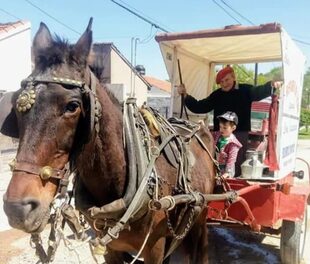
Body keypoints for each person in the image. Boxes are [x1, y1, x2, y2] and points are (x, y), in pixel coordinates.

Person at [177, 65, 282, 176]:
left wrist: (271, 85)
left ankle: (233, 187)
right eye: (221, 82)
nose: (224, 84)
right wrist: (186, 96)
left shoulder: (245, 90)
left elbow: (259, 91)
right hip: (220, 135)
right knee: (217, 162)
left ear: (233, 77)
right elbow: (200, 106)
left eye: (227, 80)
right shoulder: (217, 95)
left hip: (239, 134)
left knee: (235, 165)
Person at [213, 111, 242, 178]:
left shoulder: (233, 144)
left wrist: (227, 173)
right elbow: (208, 136)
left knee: (222, 185)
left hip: (225, 169)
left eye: (225, 128)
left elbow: (231, 159)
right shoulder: (217, 135)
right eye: (220, 127)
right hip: (214, 165)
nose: (221, 129)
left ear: (233, 128)